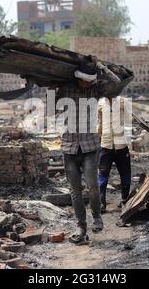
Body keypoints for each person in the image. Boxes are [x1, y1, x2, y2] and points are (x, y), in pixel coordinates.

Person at [56, 76, 104, 245]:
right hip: (69, 146)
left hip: (90, 145)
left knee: (92, 184)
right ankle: (81, 227)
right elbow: (52, 107)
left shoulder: (95, 89)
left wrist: (100, 70)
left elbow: (115, 85)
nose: (86, 84)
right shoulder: (64, 89)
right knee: (75, 190)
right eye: (84, 81)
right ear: (77, 78)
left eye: (89, 81)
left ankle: (97, 217)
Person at [97, 96, 131, 217]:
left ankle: (125, 200)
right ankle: (101, 203)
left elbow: (128, 122)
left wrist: (129, 144)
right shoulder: (100, 102)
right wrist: (99, 135)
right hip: (106, 145)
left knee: (125, 173)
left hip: (121, 145)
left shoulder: (123, 101)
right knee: (102, 174)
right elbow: (99, 122)